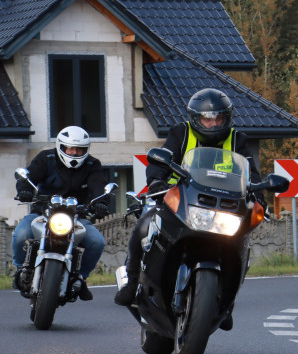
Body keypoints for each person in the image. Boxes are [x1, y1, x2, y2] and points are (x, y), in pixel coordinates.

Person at [114, 88, 262, 316]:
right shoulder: (180, 133)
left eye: (218, 118)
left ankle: (226, 301)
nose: (213, 124)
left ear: (227, 118)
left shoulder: (237, 139)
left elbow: (251, 172)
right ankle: (132, 281)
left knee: (241, 243)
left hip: (222, 206)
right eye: (207, 119)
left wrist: (259, 195)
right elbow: (161, 161)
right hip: (178, 198)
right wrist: (156, 181)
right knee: (144, 224)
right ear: (195, 118)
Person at [11, 126, 111, 301]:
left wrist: (101, 203)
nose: (74, 152)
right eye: (70, 148)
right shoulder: (46, 158)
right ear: (61, 147)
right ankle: (20, 270)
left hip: (77, 217)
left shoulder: (92, 165)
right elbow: (28, 176)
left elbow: (98, 185)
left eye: (79, 149)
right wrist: (25, 190)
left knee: (97, 241)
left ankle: (80, 278)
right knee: (21, 234)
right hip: (42, 213)